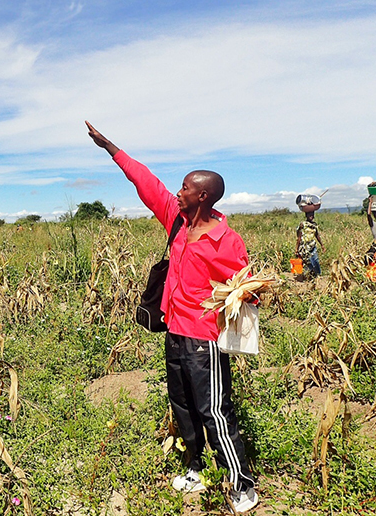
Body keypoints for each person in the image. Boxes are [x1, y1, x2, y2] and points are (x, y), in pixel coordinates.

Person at [86, 121, 258, 513]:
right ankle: (196, 468)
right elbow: (146, 183)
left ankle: (241, 484)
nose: (176, 193)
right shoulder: (178, 221)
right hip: (175, 334)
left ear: (202, 196)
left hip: (205, 340)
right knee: (182, 405)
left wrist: (248, 293)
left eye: (184, 188)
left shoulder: (226, 241)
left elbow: (247, 289)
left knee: (214, 409)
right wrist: (110, 148)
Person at [296, 211, 324, 278]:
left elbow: (317, 235)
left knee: (315, 260)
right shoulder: (303, 224)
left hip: (312, 245)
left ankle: (318, 275)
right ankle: (307, 276)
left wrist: (322, 245)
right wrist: (296, 249)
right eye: (309, 215)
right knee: (307, 262)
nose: (311, 216)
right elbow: (299, 237)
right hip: (304, 247)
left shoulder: (314, 225)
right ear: (306, 215)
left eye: (312, 215)